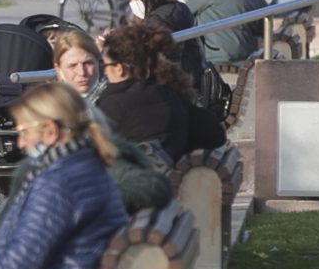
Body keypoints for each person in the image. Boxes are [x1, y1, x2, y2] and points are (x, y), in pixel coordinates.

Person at [0, 82, 128, 269]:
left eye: (24, 133)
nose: (20, 144)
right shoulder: (82, 165)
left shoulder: (60, 182)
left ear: (50, 131)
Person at [95, 24, 225, 164]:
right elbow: (214, 134)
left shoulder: (113, 105)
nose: (104, 71)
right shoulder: (169, 93)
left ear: (119, 68)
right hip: (172, 178)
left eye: (105, 65)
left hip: (136, 182)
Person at [126, 0, 204, 89]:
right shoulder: (177, 8)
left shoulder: (158, 20)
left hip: (178, 87)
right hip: (192, 78)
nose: (131, 0)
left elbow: (144, 55)